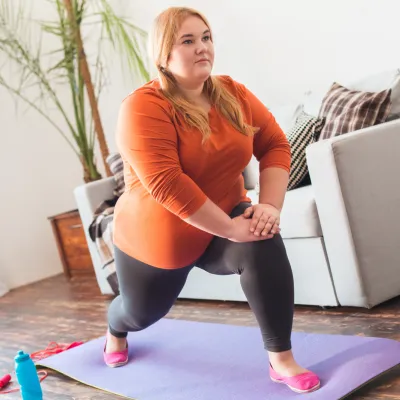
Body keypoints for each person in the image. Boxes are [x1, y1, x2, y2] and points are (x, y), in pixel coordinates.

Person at [104, 6, 320, 394]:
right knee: (139, 315)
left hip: (224, 220)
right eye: (187, 40)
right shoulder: (143, 107)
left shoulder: (232, 92)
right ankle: (115, 329)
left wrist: (268, 206)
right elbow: (167, 183)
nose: (202, 47)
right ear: (163, 55)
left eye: (206, 37)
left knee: (261, 237)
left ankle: (280, 359)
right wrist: (231, 229)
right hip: (158, 243)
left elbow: (273, 143)